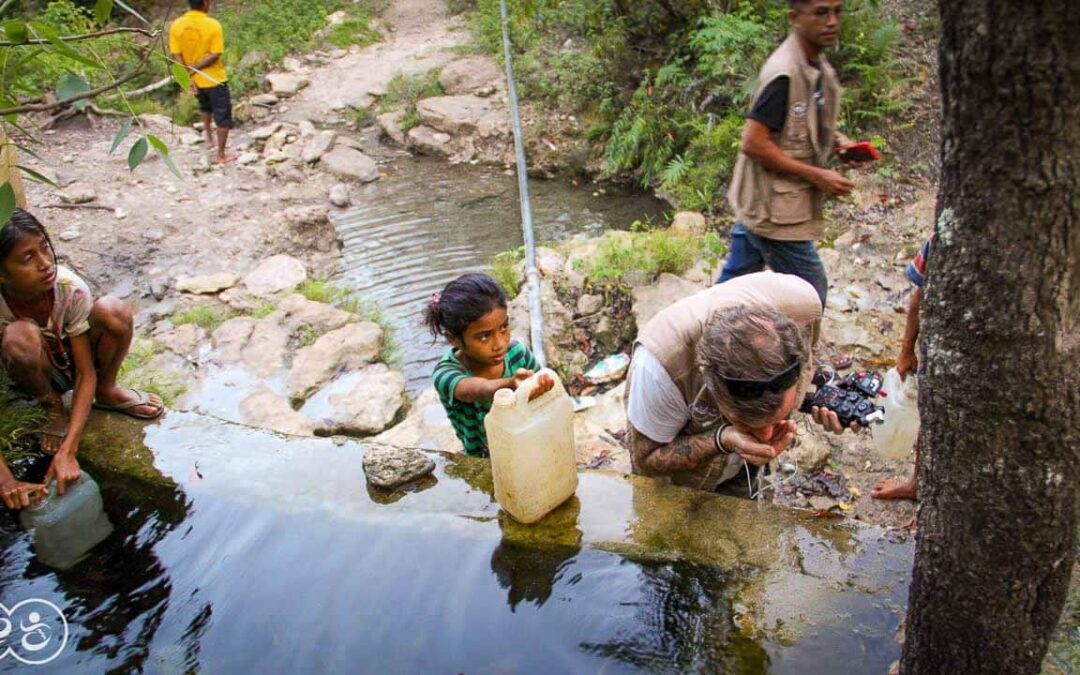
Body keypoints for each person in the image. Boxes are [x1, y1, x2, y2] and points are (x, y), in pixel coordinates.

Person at [626, 271, 859, 495]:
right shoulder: (659, 367)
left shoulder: (803, 306)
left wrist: (824, 389)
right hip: (675, 487)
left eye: (777, 418)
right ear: (711, 389)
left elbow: (813, 356)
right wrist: (722, 438)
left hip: (738, 467)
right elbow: (646, 459)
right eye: (746, 425)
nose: (767, 436)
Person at [0, 209, 164, 510]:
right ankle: (51, 406)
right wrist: (7, 482)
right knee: (19, 336)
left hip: (77, 360)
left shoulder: (68, 289)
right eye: (27, 258)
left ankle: (107, 389)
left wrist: (68, 449)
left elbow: (84, 373)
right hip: (34, 371)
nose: (45, 263)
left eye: (45, 247)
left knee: (113, 310)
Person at [719, 0, 858, 307]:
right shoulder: (785, 73)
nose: (832, 21)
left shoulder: (814, 65)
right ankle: (797, 355)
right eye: (821, 12)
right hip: (774, 208)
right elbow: (754, 142)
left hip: (767, 204)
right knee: (811, 293)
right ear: (795, 18)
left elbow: (799, 121)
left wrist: (837, 141)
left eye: (837, 11)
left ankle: (699, 337)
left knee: (732, 287)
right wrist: (818, 176)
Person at [425, 273, 553, 458]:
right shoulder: (446, 373)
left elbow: (543, 394)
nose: (499, 343)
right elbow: (474, 390)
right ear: (454, 339)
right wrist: (510, 384)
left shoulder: (518, 353)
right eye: (484, 336)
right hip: (486, 460)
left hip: (526, 443)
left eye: (503, 327)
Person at [871, 237, 930, 500]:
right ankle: (918, 482)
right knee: (929, 413)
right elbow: (919, 295)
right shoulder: (942, 240)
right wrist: (907, 351)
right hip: (939, 349)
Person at [169, 0, 236, 164]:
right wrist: (195, 68)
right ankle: (221, 155)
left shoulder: (177, 25)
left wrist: (187, 75)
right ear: (205, 3)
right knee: (223, 115)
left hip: (195, 81)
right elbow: (215, 54)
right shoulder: (213, 25)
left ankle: (209, 139)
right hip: (214, 79)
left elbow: (176, 55)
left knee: (204, 107)